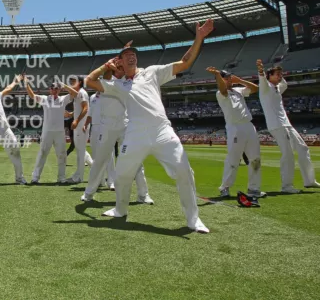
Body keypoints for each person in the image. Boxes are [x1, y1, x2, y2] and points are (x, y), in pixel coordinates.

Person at [85, 19, 215, 234]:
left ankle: (193, 220)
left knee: (184, 171)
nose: (132, 55)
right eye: (126, 55)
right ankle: (120, 210)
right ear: (119, 61)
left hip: (162, 130)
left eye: (134, 53)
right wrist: (105, 66)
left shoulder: (152, 72)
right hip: (135, 133)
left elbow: (184, 63)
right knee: (123, 174)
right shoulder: (117, 85)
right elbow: (89, 81)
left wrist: (199, 37)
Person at [82, 67, 153, 204]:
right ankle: (89, 193)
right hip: (107, 125)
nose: (122, 69)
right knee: (100, 161)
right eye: (119, 67)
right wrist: (108, 65)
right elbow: (95, 78)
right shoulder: (107, 82)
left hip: (125, 123)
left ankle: (143, 195)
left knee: (135, 158)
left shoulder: (128, 82)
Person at [256, 60, 320, 192]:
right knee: (287, 154)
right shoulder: (265, 88)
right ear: (269, 76)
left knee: (303, 149)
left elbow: (284, 84)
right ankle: (287, 186)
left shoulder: (277, 88)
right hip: (277, 125)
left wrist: (279, 74)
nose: (279, 76)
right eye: (277, 74)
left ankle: (310, 181)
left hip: (286, 124)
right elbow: (262, 79)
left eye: (280, 74)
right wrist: (261, 71)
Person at [207, 67, 265, 198]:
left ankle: (254, 189)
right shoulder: (220, 93)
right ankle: (225, 188)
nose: (229, 80)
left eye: (229, 78)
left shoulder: (238, 90)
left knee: (255, 158)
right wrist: (217, 75)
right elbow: (223, 89)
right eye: (225, 78)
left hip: (249, 126)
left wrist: (239, 80)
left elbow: (255, 88)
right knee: (233, 159)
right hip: (235, 128)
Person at [24, 77, 71, 184]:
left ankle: (62, 178)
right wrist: (26, 84)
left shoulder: (63, 99)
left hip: (59, 132)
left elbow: (75, 94)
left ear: (59, 90)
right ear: (49, 89)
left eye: (57, 88)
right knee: (42, 154)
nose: (54, 90)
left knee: (62, 155)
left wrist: (65, 85)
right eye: (52, 88)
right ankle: (35, 178)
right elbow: (32, 95)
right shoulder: (45, 99)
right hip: (47, 131)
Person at [61, 76, 94, 183]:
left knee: (80, 151)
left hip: (81, 126)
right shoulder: (78, 93)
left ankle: (78, 177)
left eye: (73, 81)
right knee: (81, 150)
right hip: (80, 125)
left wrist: (76, 121)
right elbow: (80, 108)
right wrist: (71, 114)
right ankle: (98, 172)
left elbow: (85, 108)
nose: (71, 83)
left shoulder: (82, 93)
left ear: (79, 82)